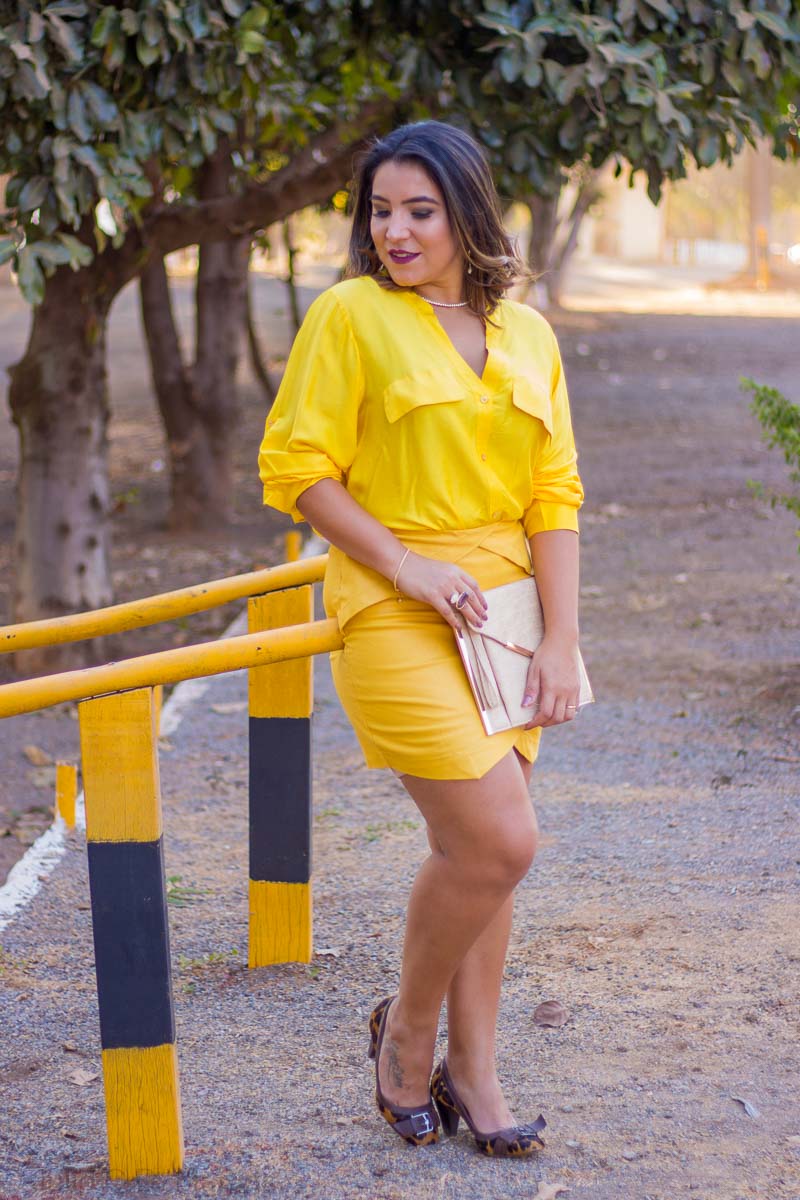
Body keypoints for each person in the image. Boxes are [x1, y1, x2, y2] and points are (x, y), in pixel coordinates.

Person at [258, 120, 584, 1157]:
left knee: (482, 853)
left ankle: (474, 1074)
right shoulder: (351, 315)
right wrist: (409, 567)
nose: (393, 231)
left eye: (419, 211)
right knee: (499, 839)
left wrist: (561, 639)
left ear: (467, 213)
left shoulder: (528, 334)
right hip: (393, 602)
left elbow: (553, 494)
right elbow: (298, 470)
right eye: (379, 211)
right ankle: (406, 1032)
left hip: (506, 619)